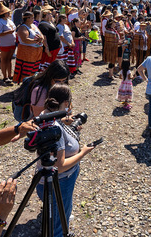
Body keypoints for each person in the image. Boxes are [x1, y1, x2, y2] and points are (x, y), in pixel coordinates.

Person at [35, 84, 96, 236]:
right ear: (67, 104)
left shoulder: (45, 115)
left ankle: (58, 217)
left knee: (57, 211)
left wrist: (65, 121)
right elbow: (60, 166)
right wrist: (82, 153)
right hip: (60, 183)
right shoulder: (55, 128)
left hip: (44, 179)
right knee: (58, 227)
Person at [14, 11, 47, 83]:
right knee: (27, 69)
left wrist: (41, 38)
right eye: (32, 18)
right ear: (27, 18)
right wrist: (36, 40)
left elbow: (41, 34)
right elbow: (25, 39)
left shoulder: (34, 26)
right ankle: (25, 83)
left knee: (34, 68)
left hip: (36, 51)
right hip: (27, 52)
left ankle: (31, 81)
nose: (33, 19)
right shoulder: (22, 27)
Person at [0, 3, 16, 85]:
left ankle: (10, 75)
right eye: (7, 12)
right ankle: (5, 76)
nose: (9, 13)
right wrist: (9, 32)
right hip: (4, 43)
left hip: (11, 43)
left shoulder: (9, 20)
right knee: (4, 59)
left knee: (9, 59)